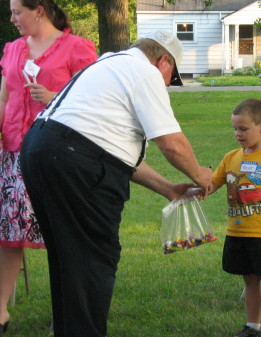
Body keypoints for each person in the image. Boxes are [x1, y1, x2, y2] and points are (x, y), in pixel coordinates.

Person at [19, 29, 212, 337]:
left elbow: (111, 150)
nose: (167, 84)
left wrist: (167, 188)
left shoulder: (107, 64)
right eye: (171, 76)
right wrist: (200, 175)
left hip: (40, 149)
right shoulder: (144, 72)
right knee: (94, 258)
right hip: (73, 159)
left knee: (69, 257)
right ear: (164, 61)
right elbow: (171, 144)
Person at [0, 0, 97, 333]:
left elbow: (95, 99)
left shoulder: (77, 48)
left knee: (63, 232)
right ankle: (0, 310)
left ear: (38, 10)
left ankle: (69, 309)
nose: (12, 18)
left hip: (57, 151)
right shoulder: (13, 49)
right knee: (9, 232)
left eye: (17, 12)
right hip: (14, 150)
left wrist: (54, 95)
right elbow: (5, 97)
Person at [208, 99, 261, 337]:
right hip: (236, 231)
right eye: (235, 128)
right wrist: (196, 189)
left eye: (243, 129)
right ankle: (253, 325)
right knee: (249, 278)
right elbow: (213, 184)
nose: (238, 134)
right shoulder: (230, 157)